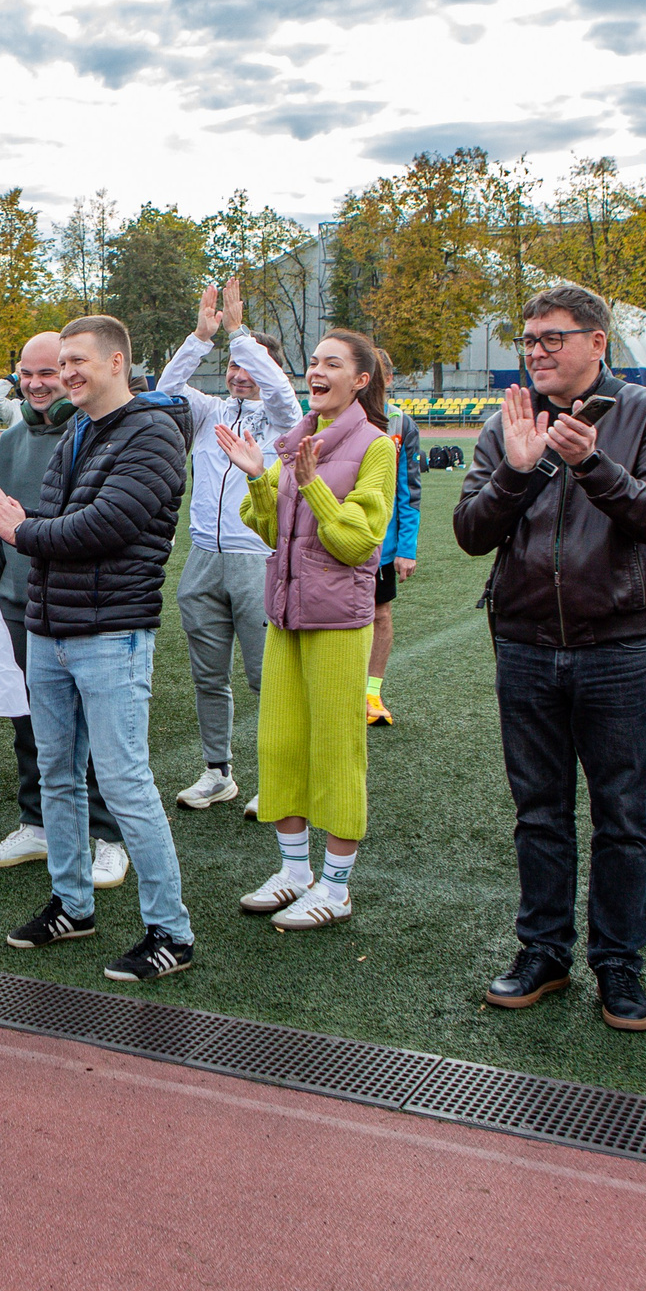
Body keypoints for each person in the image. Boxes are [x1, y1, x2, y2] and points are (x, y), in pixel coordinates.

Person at [453, 285, 646, 1031]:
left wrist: (592, 466)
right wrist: (518, 470)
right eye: (529, 340)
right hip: (524, 643)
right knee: (539, 811)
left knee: (622, 815)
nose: (538, 351)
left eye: (553, 337)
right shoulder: (509, 422)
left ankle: (618, 961)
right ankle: (543, 950)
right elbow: (469, 530)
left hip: (615, 645)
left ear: (598, 341)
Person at [0, 314, 196, 984]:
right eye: (59, 360)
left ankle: (171, 931)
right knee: (57, 774)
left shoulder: (154, 433)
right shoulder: (78, 429)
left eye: (78, 360)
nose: (66, 371)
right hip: (51, 630)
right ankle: (73, 904)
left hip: (110, 634)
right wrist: (13, 523)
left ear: (118, 362)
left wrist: (21, 530)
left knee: (125, 782)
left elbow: (106, 526)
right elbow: (50, 521)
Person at [216, 329, 395, 933]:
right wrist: (258, 474)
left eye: (332, 363)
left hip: (339, 624)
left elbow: (353, 542)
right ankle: (294, 873)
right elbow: (269, 531)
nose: (316, 371)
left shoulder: (376, 447)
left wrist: (312, 482)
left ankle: (337, 887)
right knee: (279, 746)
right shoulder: (297, 442)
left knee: (337, 751)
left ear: (360, 380)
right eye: (313, 362)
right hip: (286, 617)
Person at [0, 332, 125, 886]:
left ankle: (108, 835)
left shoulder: (94, 434)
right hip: (19, 601)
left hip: (78, 601)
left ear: (71, 372)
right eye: (28, 374)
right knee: (29, 721)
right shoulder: (13, 437)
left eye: (50, 372)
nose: (38, 384)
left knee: (92, 727)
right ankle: (36, 823)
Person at [157, 279, 302, 808]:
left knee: (269, 680)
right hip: (202, 560)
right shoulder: (210, 414)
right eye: (234, 367)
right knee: (208, 676)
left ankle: (280, 777)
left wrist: (241, 335)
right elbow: (168, 388)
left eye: (249, 367)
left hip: (258, 561)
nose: (239, 376)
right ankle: (218, 772)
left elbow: (282, 393)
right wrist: (201, 338)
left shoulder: (286, 421)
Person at [364, 350, 422, 729]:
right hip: (339, 541)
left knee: (380, 614)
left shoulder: (400, 422)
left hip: (381, 549)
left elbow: (409, 491)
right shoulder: (330, 412)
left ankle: (370, 693)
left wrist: (405, 548)